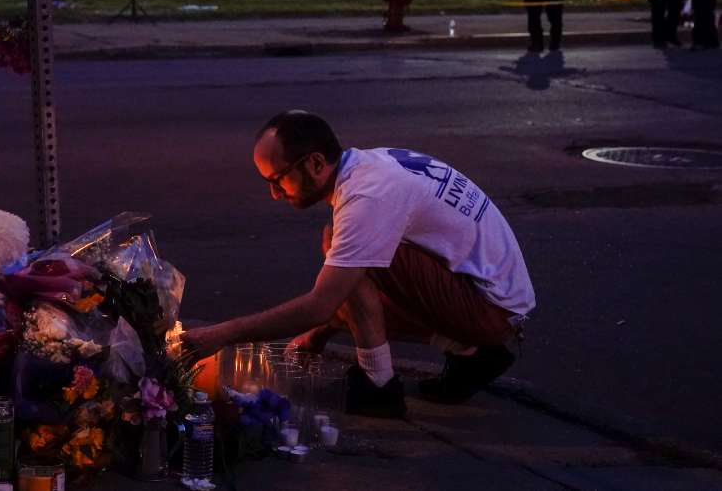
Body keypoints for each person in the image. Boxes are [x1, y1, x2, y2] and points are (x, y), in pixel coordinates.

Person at [182, 111, 535, 418]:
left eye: (278, 180)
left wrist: (220, 335)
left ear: (316, 163)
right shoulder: (365, 167)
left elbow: (321, 305)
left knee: (345, 255)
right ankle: (470, 353)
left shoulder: (368, 196)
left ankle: (377, 387)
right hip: (490, 297)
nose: (274, 194)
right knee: (347, 257)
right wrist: (321, 333)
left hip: (493, 309)